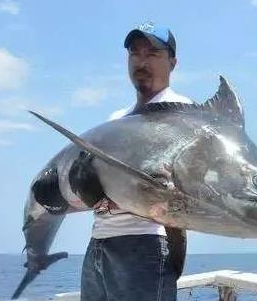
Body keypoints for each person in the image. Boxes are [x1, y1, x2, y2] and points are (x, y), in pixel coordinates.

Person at [81, 22, 191, 301]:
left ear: (172, 62)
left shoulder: (183, 114)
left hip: (145, 243)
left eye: (152, 53)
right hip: (99, 242)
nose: (142, 61)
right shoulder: (116, 118)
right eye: (135, 53)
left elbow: (178, 189)